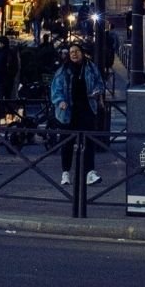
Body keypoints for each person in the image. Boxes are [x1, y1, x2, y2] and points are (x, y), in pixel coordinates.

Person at [50, 42, 105, 187]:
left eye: (76, 51)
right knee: (67, 143)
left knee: (88, 142)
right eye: (71, 51)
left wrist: (97, 92)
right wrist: (60, 101)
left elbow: (100, 83)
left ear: (82, 53)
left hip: (87, 110)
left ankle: (90, 173)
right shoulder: (63, 70)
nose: (74, 54)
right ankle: (66, 173)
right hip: (68, 112)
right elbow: (56, 89)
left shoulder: (91, 68)